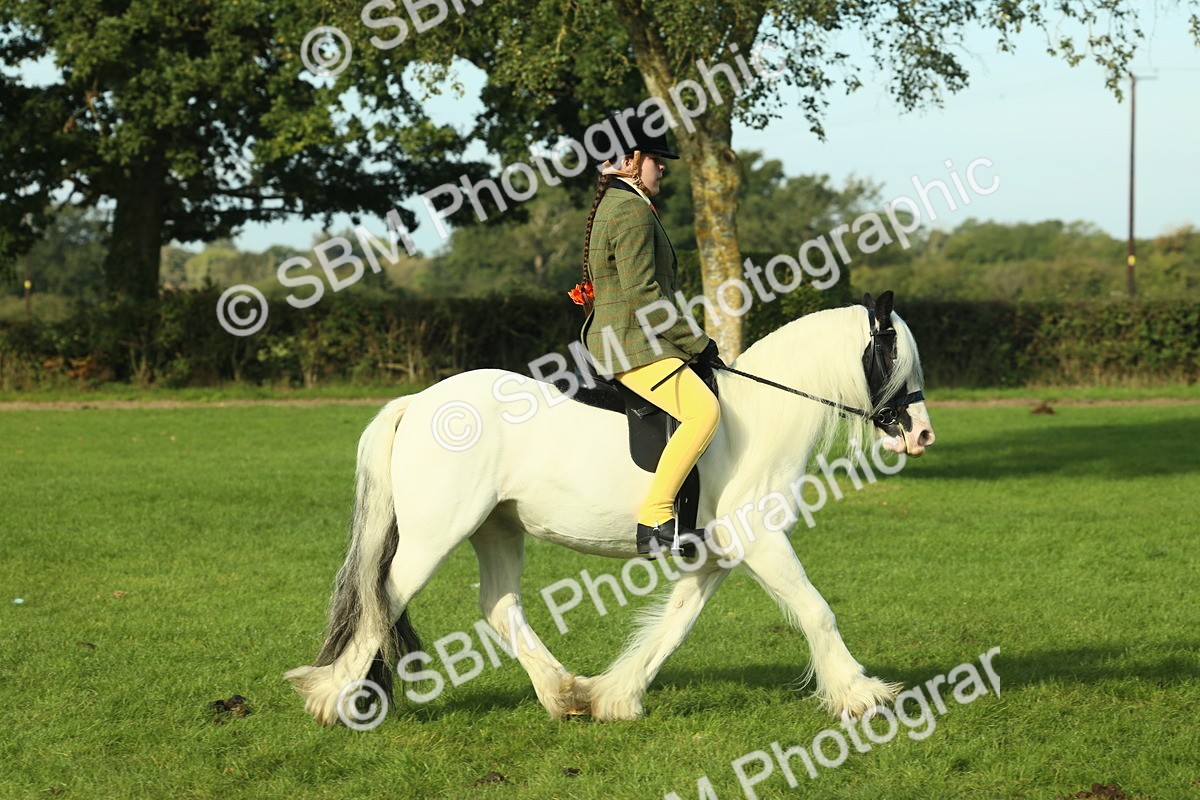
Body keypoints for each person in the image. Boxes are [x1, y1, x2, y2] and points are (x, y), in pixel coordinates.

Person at [572, 114, 721, 558]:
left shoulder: (619, 204)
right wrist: (698, 344)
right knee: (703, 412)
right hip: (630, 342)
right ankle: (656, 513)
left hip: (631, 336)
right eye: (657, 159)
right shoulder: (631, 210)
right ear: (631, 161)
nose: (664, 168)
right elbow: (644, 294)